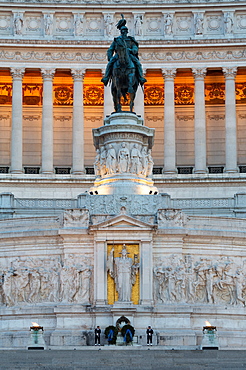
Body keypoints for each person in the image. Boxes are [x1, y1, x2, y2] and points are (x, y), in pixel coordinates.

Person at [101, 14, 147, 91]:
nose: (124, 33)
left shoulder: (130, 40)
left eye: (125, 31)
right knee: (110, 64)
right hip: (118, 55)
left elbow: (135, 48)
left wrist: (132, 50)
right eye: (123, 31)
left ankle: (140, 77)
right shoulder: (117, 40)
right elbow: (110, 49)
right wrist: (110, 57)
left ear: (127, 32)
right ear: (121, 32)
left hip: (129, 55)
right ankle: (106, 77)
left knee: (138, 63)